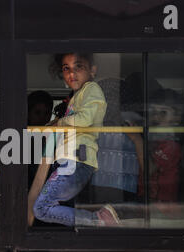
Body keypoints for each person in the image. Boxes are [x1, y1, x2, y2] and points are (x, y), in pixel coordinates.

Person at [33, 53, 120, 227]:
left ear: (92, 71)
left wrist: (59, 122)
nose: (72, 73)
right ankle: (98, 219)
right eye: (66, 68)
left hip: (75, 160)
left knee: (41, 208)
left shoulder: (91, 89)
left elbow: (84, 119)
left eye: (78, 66)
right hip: (72, 160)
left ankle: (98, 220)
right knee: (44, 207)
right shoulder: (78, 96)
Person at [137, 89, 184, 211]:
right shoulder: (154, 140)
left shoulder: (171, 146)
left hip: (163, 206)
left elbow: (149, 169)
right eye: (153, 112)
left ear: (177, 118)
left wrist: (136, 140)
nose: (156, 117)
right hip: (148, 200)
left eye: (163, 112)